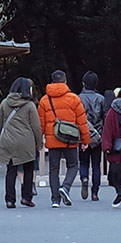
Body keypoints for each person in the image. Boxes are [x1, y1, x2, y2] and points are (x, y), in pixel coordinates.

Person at [37, 70, 91, 208]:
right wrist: (85, 140)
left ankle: (55, 200)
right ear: (65, 81)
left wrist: (39, 141)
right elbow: (82, 121)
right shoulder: (74, 98)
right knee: (73, 165)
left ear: (52, 81)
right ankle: (65, 187)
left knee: (53, 169)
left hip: (53, 139)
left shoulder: (44, 100)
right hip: (70, 139)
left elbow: (40, 124)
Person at [0, 77, 43, 209]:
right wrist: (39, 143)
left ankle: (10, 200)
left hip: (9, 140)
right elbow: (36, 127)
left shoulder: (5, 103)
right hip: (26, 142)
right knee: (28, 168)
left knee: (11, 170)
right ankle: (26, 198)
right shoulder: (29, 105)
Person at [77, 72, 109, 202]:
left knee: (83, 162)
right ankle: (95, 193)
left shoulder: (78, 98)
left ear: (83, 83)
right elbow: (105, 117)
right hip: (98, 135)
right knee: (96, 165)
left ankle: (84, 178)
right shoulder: (101, 99)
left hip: (83, 134)